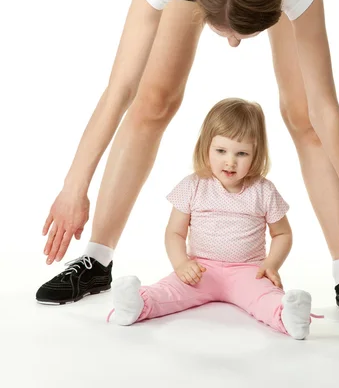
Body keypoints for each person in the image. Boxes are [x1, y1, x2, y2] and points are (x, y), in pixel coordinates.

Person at [36, 0, 339, 330]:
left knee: (301, 113)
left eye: (246, 34)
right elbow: (119, 87)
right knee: (153, 100)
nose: (234, 45)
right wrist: (73, 186)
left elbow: (326, 108)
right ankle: (96, 261)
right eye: (225, 32)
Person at [107, 98, 319, 340]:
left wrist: (271, 265)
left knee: (264, 298)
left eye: (242, 153)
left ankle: (288, 316)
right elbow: (175, 232)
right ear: (206, 147)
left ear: (256, 153)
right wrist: (181, 264)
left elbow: (282, 233)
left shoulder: (263, 190)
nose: (230, 161)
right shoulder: (193, 185)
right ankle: (136, 305)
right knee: (168, 291)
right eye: (221, 151)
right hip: (200, 269)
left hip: (248, 271)